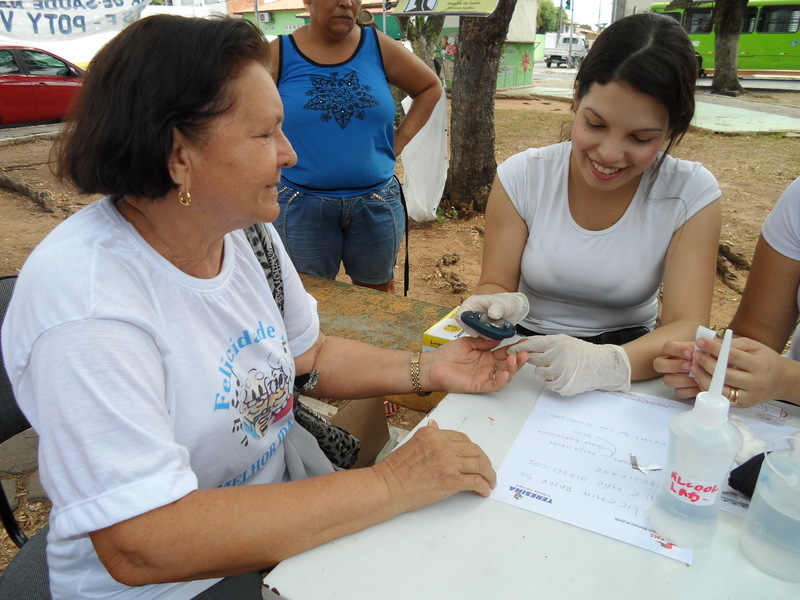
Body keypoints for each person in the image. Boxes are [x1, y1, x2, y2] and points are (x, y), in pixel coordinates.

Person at [0, 16, 528, 599]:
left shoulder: (242, 231)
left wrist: (428, 370)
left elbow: (310, 356)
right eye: (266, 134)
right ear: (179, 156)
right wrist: (394, 483)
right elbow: (141, 540)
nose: (289, 152)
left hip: (277, 524)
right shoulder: (90, 307)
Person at [455, 13, 722, 397]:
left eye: (641, 138)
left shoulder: (690, 194)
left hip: (632, 359)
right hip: (523, 354)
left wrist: (608, 364)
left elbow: (686, 326)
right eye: (595, 124)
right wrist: (497, 304)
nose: (610, 154)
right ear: (576, 96)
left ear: (672, 129)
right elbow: (496, 281)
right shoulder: (523, 176)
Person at [269, 0, 441, 294]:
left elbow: (429, 87)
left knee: (376, 302)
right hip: (301, 205)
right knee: (310, 302)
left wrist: (397, 143)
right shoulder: (278, 54)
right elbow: (244, 111)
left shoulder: (378, 46)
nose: (346, 2)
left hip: (375, 204)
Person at [655, 176, 800, 408]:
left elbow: (783, 378)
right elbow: (756, 335)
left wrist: (789, 381)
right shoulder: (797, 199)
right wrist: (714, 364)